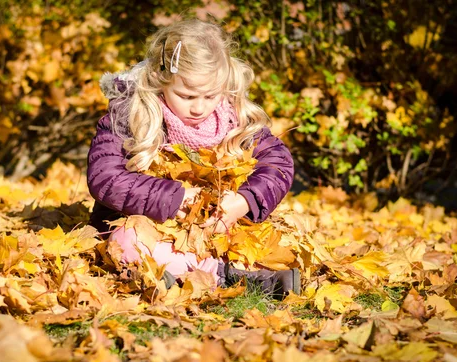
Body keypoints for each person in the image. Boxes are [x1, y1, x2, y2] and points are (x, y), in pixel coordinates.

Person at [87, 19, 300, 299]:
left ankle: (208, 272)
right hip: (151, 228)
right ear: (159, 81)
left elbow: (278, 164)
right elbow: (106, 178)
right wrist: (174, 199)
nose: (199, 107)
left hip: (215, 226)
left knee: (272, 240)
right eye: (186, 96)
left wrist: (245, 200)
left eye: (210, 95)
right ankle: (224, 278)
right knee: (128, 243)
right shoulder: (130, 116)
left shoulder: (234, 118)